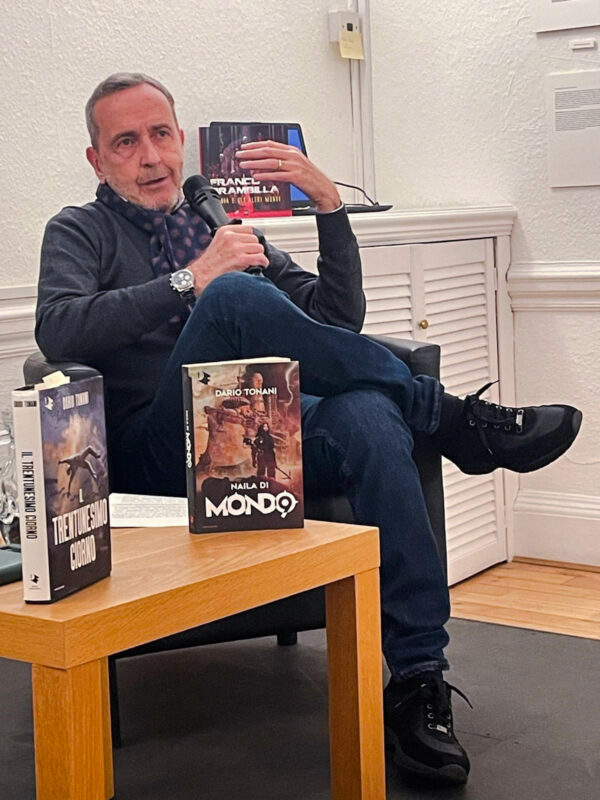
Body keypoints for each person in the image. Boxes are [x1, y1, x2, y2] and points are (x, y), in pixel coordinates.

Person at [35, 73, 582, 786]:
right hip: (157, 455)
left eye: (161, 134)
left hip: (262, 436)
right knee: (233, 294)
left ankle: (417, 679)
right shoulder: (79, 229)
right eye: (126, 142)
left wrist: (330, 209)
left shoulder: (218, 225)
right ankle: (450, 419)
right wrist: (193, 279)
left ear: (180, 140)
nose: (150, 156)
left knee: (369, 413)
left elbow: (334, 325)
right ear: (97, 159)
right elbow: (59, 328)